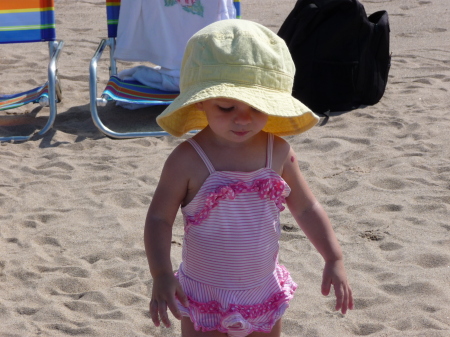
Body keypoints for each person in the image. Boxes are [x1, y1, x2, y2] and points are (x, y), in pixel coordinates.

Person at [144, 19, 353, 337]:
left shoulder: (278, 152)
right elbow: (159, 218)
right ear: (201, 101)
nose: (242, 118)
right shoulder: (187, 160)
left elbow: (307, 208)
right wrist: (160, 273)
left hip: (262, 290)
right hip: (204, 293)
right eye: (226, 106)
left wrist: (333, 257)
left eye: (257, 107)